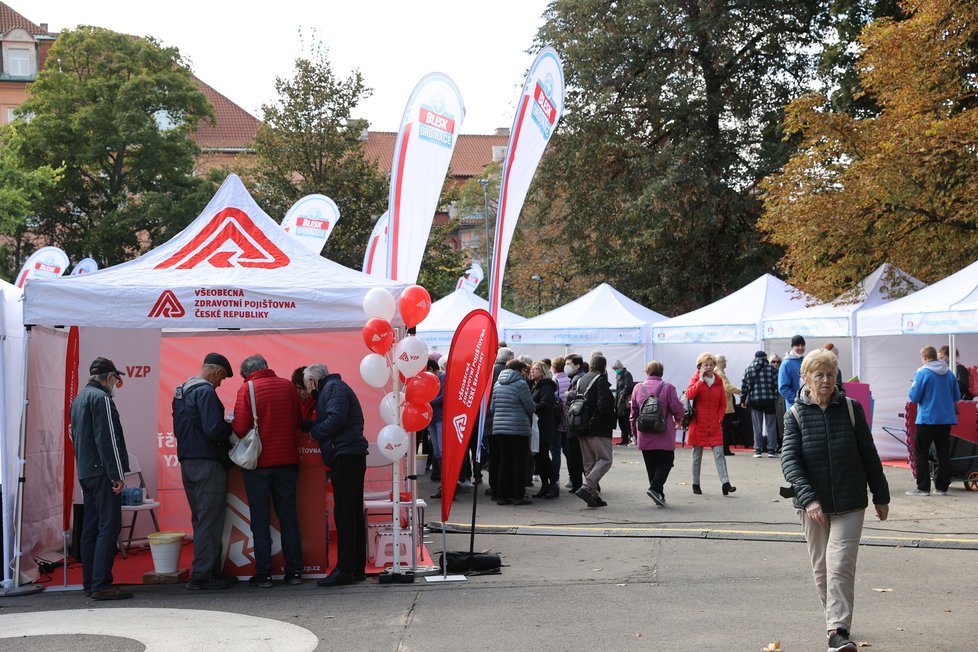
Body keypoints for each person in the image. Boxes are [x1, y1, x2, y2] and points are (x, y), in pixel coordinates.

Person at [781, 349, 890, 652]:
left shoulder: (852, 409)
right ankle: (834, 618)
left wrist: (881, 496)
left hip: (850, 501)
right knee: (821, 568)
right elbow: (790, 461)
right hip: (812, 506)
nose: (827, 380)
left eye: (830, 374)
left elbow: (870, 456)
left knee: (839, 564)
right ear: (806, 378)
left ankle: (837, 631)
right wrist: (809, 498)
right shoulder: (795, 414)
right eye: (820, 375)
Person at [231, 354, 303, 587]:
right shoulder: (288, 387)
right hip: (288, 461)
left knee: (260, 519)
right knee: (289, 517)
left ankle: (264, 574)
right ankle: (294, 572)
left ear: (246, 373)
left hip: (259, 464)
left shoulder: (247, 389)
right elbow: (298, 421)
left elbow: (241, 428)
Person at [172, 352, 236, 591]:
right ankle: (203, 575)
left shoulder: (181, 391)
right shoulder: (206, 391)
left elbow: (179, 430)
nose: (220, 384)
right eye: (222, 379)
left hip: (187, 461)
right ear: (217, 371)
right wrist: (229, 427)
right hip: (208, 462)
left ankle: (206, 570)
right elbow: (213, 429)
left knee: (200, 519)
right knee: (210, 519)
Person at [70, 357, 132, 601]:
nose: (116, 383)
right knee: (109, 525)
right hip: (102, 472)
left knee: (91, 528)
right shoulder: (102, 398)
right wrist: (117, 474)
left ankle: (90, 582)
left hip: (86, 471)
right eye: (115, 378)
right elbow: (107, 440)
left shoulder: (79, 399)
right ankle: (102, 584)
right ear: (108, 377)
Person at [304, 363, 368, 586]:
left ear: (313, 381)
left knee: (345, 514)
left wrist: (314, 432)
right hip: (350, 454)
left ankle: (345, 569)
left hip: (346, 454)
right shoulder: (336, 387)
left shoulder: (333, 389)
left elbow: (335, 419)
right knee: (351, 513)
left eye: (307, 384)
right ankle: (355, 567)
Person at [630, 360, 684, 506]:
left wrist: (634, 433)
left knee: (651, 464)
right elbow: (677, 408)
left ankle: (658, 493)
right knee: (666, 461)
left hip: (645, 432)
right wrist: (679, 419)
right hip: (663, 431)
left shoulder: (637, 388)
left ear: (646, 372)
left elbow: (633, 413)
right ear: (662, 372)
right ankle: (655, 489)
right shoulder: (668, 387)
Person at [907, 346, 960, 496]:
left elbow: (914, 397)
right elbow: (956, 396)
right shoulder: (949, 373)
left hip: (927, 419)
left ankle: (923, 488)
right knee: (943, 453)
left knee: (921, 453)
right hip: (946, 419)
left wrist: (914, 382)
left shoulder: (922, 372)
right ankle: (942, 487)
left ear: (924, 357)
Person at [686, 352, 735, 496]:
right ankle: (696, 483)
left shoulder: (718, 380)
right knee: (697, 455)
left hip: (714, 424)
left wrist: (719, 418)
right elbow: (689, 395)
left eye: (711, 364)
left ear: (714, 365)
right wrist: (700, 381)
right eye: (705, 364)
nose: (708, 367)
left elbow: (722, 403)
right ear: (700, 366)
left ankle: (726, 483)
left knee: (719, 454)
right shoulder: (696, 379)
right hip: (698, 422)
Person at [572, 354, 616, 507]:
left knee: (589, 463)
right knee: (605, 460)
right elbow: (603, 405)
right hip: (598, 427)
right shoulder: (600, 380)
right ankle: (587, 486)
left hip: (580, 426)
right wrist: (611, 421)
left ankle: (593, 496)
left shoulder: (580, 380)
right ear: (603, 367)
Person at [489, 359, 536, 505]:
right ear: (518, 370)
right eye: (524, 370)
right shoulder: (521, 384)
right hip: (518, 428)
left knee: (504, 461)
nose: (525, 373)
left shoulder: (497, 384)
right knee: (519, 462)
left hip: (499, 428)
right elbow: (530, 407)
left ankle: (502, 495)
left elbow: (492, 408)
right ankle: (518, 496)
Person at [529, 361, 559, 499]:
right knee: (539, 458)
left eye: (535, 369)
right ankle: (545, 485)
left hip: (544, 426)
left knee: (543, 457)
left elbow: (546, 405)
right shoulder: (535, 386)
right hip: (537, 426)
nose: (532, 372)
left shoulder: (546, 386)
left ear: (542, 371)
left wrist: (531, 406)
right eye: (532, 369)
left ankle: (553, 484)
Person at [742, 351, 779, 458]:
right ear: (765, 357)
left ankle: (758, 450)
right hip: (769, 401)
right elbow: (777, 385)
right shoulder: (772, 369)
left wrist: (743, 400)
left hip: (755, 401)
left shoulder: (749, 369)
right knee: (770, 425)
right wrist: (774, 395)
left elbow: (744, 387)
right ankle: (772, 450)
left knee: (757, 426)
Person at [562, 354, 586, 493]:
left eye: (569, 364)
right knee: (577, 455)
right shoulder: (575, 377)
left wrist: (568, 394)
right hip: (575, 422)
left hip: (574, 422)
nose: (567, 367)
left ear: (577, 365)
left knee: (575, 455)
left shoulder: (578, 378)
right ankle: (584, 482)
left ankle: (578, 483)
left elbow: (578, 396)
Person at [549, 356, 570, 488]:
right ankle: (572, 477)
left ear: (553, 367)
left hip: (556, 420)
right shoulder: (569, 380)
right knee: (568, 451)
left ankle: (555, 479)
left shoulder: (553, 381)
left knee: (555, 450)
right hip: (568, 419)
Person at [715, 355, 740, 456]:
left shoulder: (717, 372)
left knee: (724, 428)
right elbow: (727, 387)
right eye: (724, 361)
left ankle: (724, 449)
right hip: (725, 406)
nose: (725, 363)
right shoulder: (720, 373)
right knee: (725, 429)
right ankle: (725, 449)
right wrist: (740, 390)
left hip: (722, 404)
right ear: (720, 362)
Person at [612, 360, 636, 446]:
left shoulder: (626, 374)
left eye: (616, 368)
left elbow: (629, 386)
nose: (616, 370)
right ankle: (624, 439)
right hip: (619, 401)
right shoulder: (618, 375)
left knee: (626, 420)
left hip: (624, 400)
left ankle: (631, 438)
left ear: (620, 367)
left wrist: (623, 395)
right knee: (621, 420)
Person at [779, 335, 806, 405]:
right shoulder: (786, 364)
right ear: (792, 346)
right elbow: (783, 388)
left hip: (806, 403)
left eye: (802, 345)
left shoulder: (805, 361)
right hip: (794, 406)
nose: (800, 347)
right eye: (797, 345)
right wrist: (796, 400)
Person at [770, 355, 786, 449]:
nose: (776, 364)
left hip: (780, 399)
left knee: (781, 421)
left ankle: (781, 444)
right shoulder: (768, 372)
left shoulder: (781, 371)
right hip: (770, 400)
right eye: (773, 362)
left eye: (778, 362)